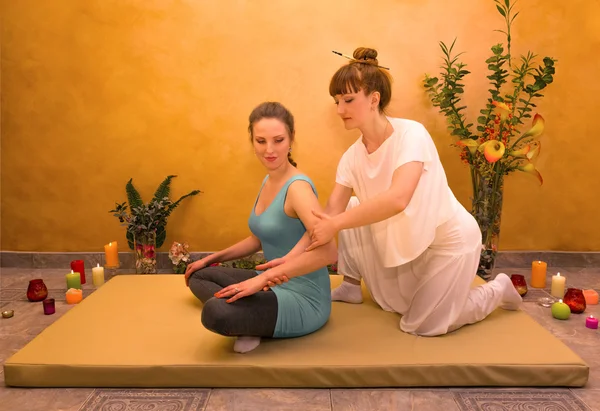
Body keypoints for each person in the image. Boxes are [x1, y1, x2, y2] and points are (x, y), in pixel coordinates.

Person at [264, 47, 523, 337]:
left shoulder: (412, 134)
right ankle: (351, 284)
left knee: (422, 325)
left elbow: (398, 198)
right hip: (408, 240)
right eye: (337, 101)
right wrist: (289, 259)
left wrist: (333, 224)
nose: (339, 109)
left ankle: (497, 290)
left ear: (374, 99)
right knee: (351, 207)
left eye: (348, 100)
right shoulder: (351, 158)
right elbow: (326, 218)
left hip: (449, 241)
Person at [184, 102, 336, 353]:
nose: (269, 150)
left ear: (291, 139)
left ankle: (249, 321)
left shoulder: (297, 188)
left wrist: (264, 279)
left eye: (278, 140)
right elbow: (259, 238)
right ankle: (250, 317)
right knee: (199, 276)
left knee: (215, 312)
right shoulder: (269, 179)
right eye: (261, 141)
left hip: (302, 297)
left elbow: (328, 252)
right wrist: (210, 259)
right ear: (252, 141)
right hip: (269, 283)